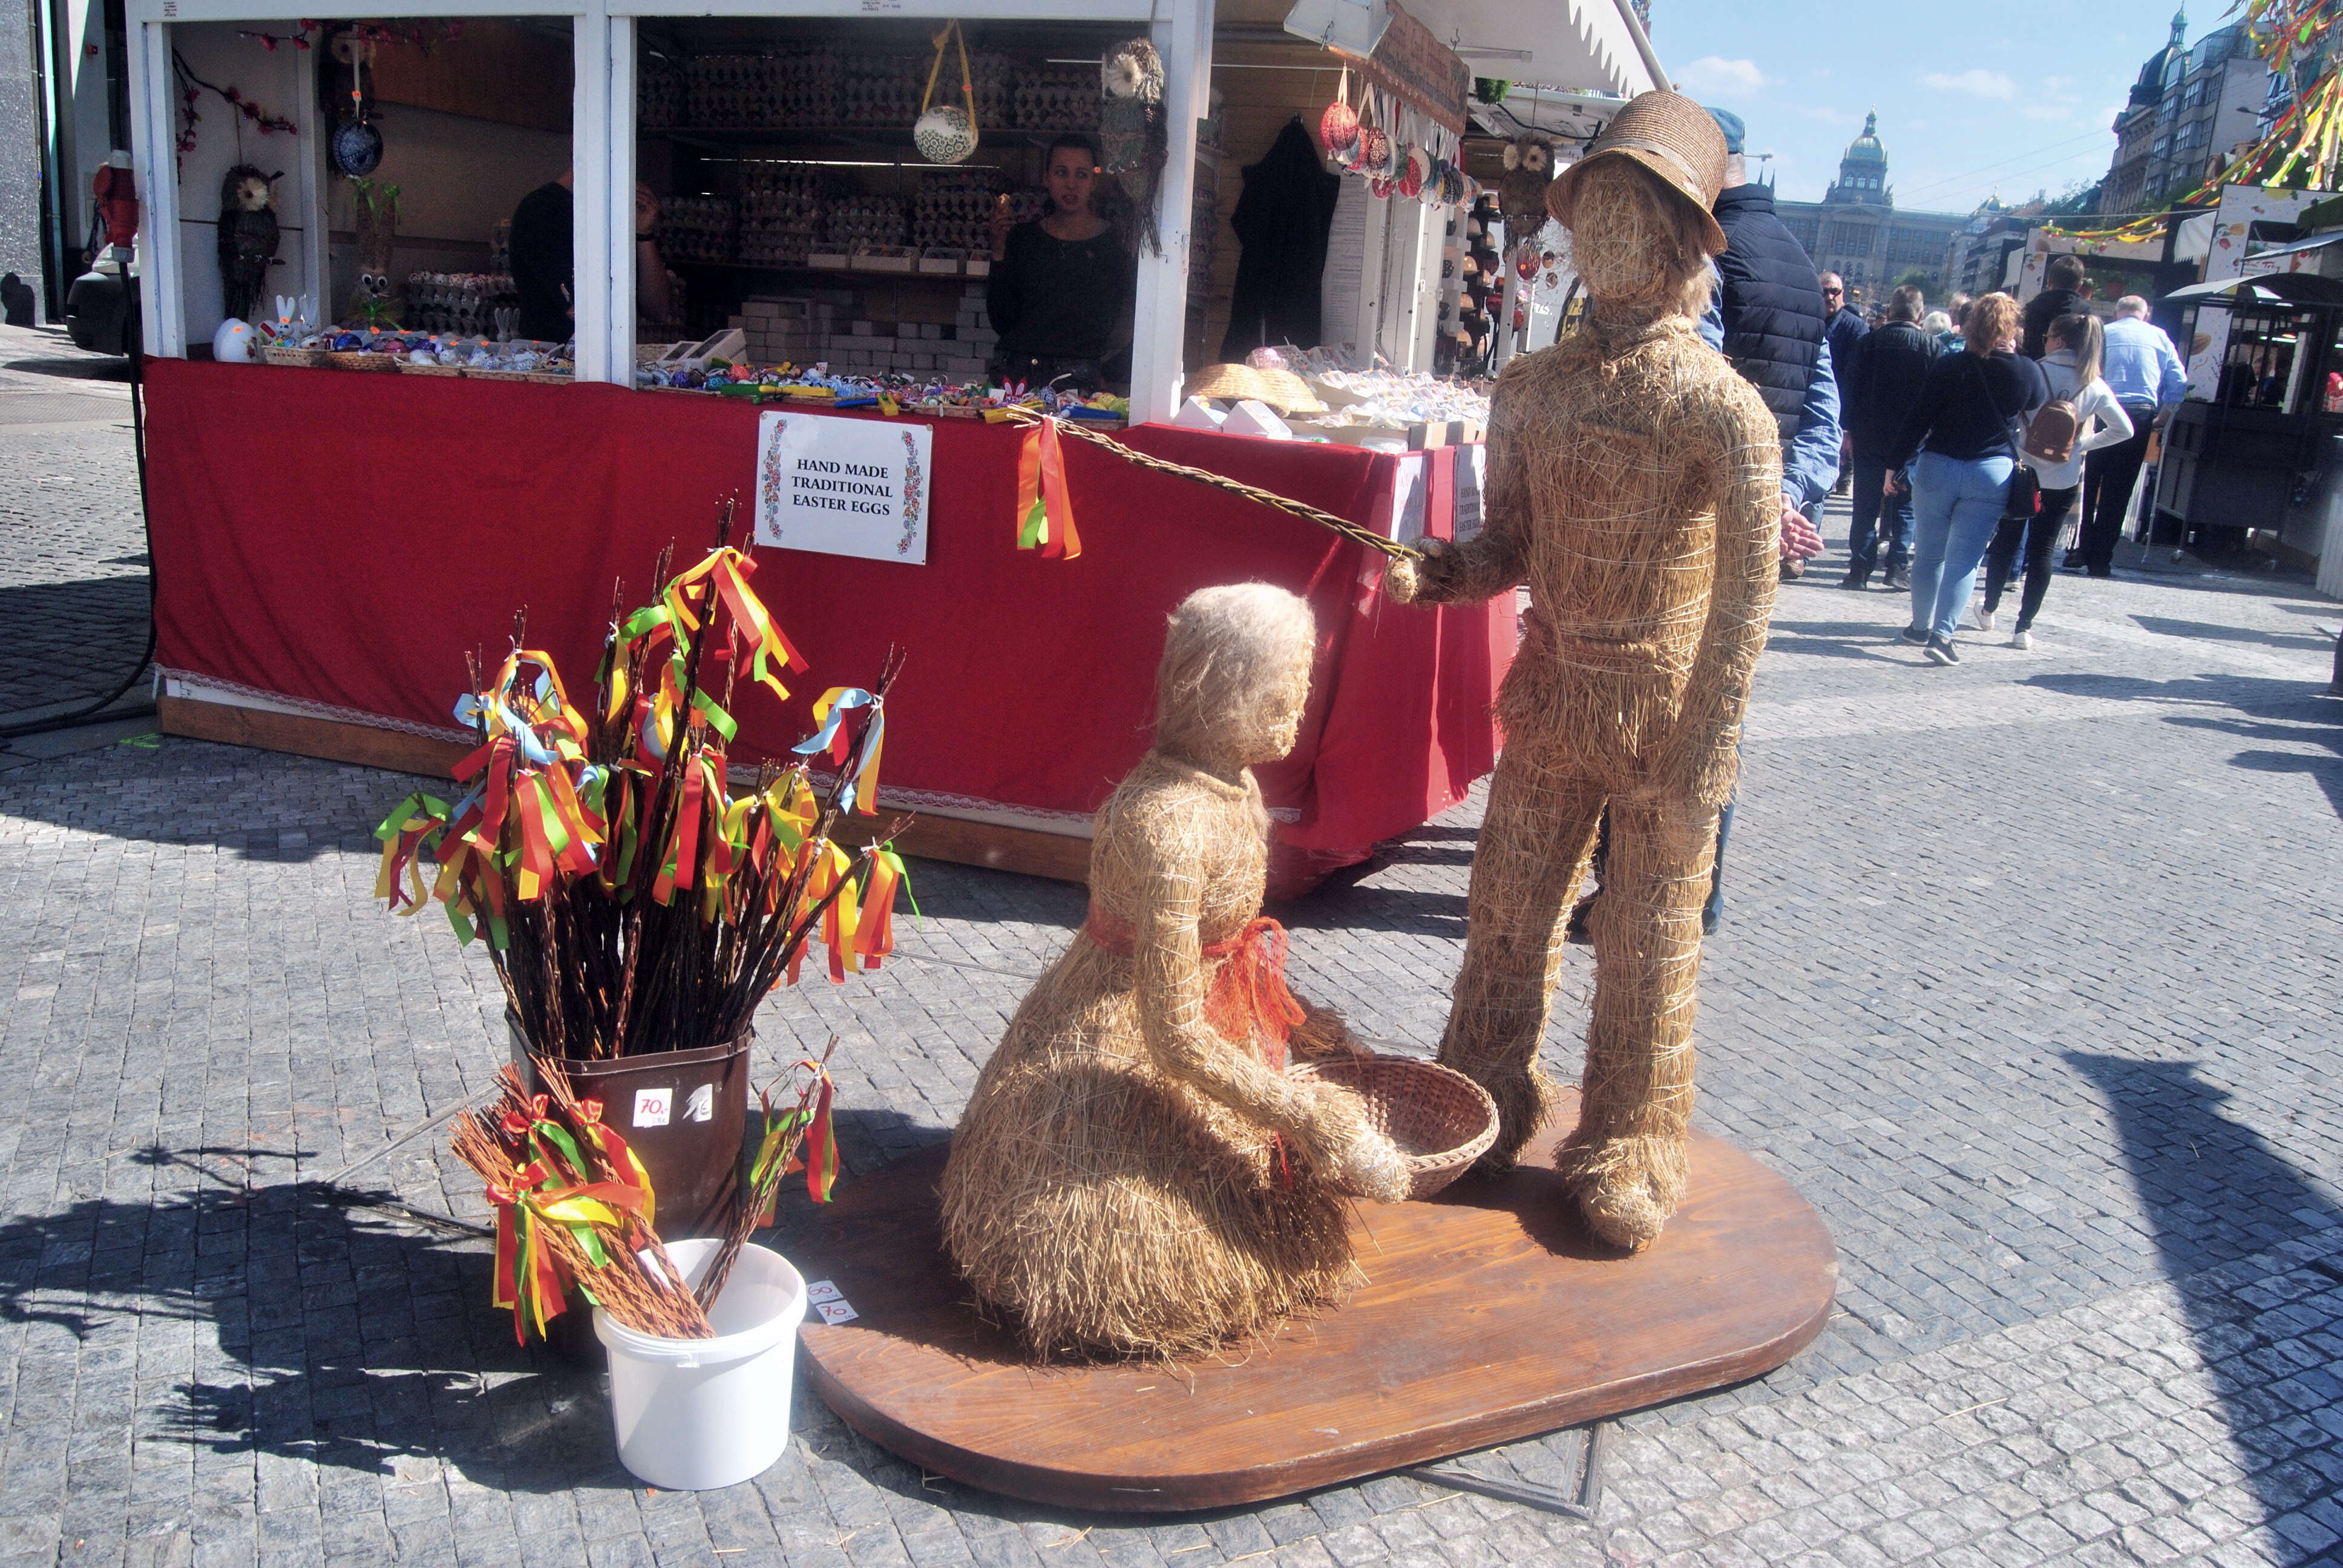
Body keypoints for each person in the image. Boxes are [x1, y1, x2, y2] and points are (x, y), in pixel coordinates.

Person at [1883, 292, 2048, 665]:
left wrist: (1894, 464)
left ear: (1972, 325)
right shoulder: (2026, 370)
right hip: (1990, 471)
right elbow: (2038, 404)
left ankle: (1920, 626)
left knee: (1928, 554)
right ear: (2013, 328)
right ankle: (1943, 636)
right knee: (1965, 560)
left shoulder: (1948, 365)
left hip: (1937, 466)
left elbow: (1918, 418)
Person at [1979, 315, 2132, 648]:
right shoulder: (2094, 383)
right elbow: (2125, 430)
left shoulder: (2035, 370)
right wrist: (2079, 445)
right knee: (2044, 549)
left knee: (2007, 539)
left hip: (2023, 470)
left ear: (2059, 340)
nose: (2045, 341)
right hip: (2063, 476)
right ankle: (2024, 627)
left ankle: (1989, 609)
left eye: (2048, 336)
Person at [986, 134, 1137, 394]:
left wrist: (1111, 372)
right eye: (1061, 173)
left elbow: (1145, 318)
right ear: (1047, 178)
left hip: (1079, 378)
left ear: (1094, 181)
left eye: (1081, 174)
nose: (1071, 184)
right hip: (1016, 373)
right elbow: (1002, 321)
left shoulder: (1116, 246)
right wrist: (999, 250)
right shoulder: (1023, 239)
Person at [2072, 294, 2188, 576]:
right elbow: (2179, 381)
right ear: (2145, 315)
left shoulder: (2105, 333)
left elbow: (2083, 371)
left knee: (2090, 483)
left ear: (2116, 313)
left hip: (2104, 409)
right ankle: (2102, 558)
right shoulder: (2160, 337)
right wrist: (2165, 415)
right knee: (2120, 489)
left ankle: (2082, 549)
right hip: (2141, 414)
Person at [1842, 284, 1939, 590]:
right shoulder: (1932, 347)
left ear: (1888, 312)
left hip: (1870, 434)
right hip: (1912, 439)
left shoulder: (1869, 343)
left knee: (1865, 504)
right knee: (1906, 504)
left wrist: (1848, 430)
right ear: (1920, 315)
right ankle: (1897, 565)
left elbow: (1850, 389)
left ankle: (1860, 569)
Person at [508, 171, 672, 343]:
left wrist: (644, 234)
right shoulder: (541, 210)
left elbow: (658, 310)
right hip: (555, 359)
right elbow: (578, 311)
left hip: (612, 356)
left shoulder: (616, 212)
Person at [1819, 273, 1867, 497]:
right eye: (1824, 291)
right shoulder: (1810, 319)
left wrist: (1850, 422)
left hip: (1841, 401)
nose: (1829, 296)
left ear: (1842, 294)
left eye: (1834, 291)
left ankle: (1843, 476)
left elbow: (1858, 377)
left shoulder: (1856, 328)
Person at [2021, 253, 2088, 358]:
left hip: (2034, 371)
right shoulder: (2087, 316)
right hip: (2075, 373)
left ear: (2049, 281)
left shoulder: (2030, 310)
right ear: (2079, 286)